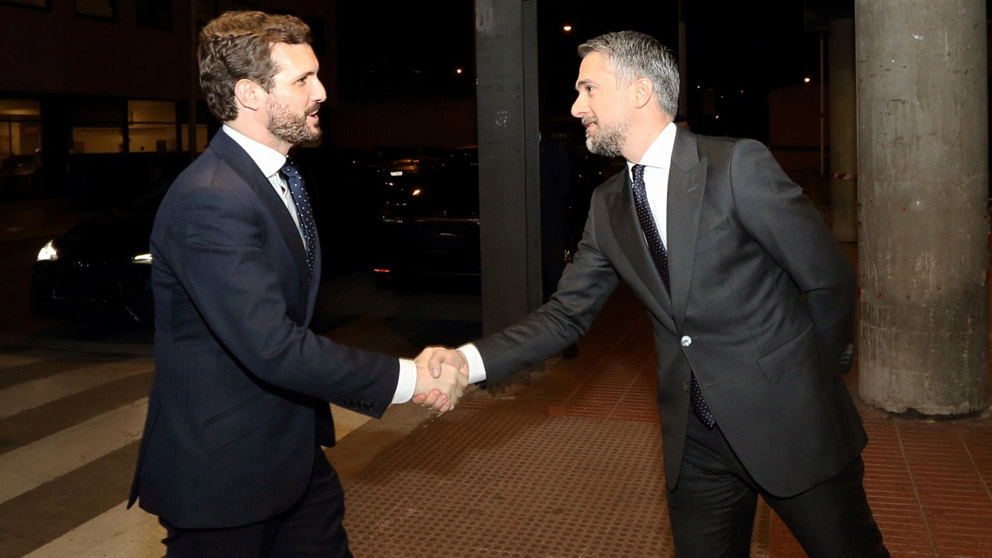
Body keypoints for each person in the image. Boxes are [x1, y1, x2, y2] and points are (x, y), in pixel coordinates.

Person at [422, 31, 888, 557]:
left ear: (639, 91)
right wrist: (467, 361)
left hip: (793, 427)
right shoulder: (609, 204)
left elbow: (829, 278)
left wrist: (812, 382)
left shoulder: (735, 166)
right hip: (695, 444)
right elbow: (565, 316)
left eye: (588, 89)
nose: (576, 108)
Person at [127, 11, 464, 558]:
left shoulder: (277, 174)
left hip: (293, 456)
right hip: (225, 477)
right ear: (249, 94)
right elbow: (272, 346)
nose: (323, 92)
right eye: (303, 80)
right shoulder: (210, 198)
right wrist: (409, 377)